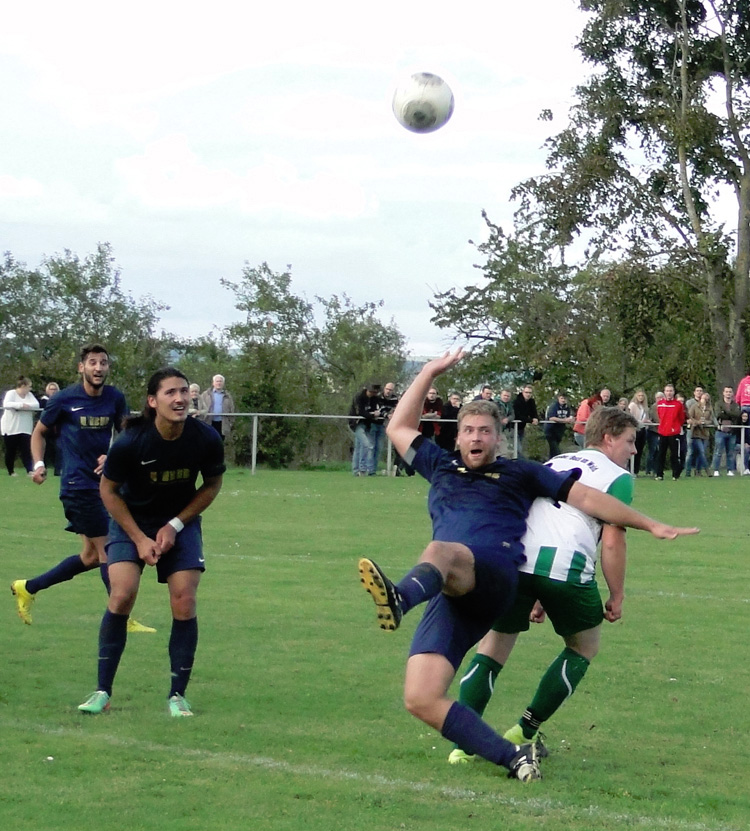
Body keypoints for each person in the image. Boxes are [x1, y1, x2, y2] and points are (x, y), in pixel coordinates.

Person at [357, 349, 698, 782]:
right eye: (468, 430)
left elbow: (588, 499)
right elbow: (398, 427)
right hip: (453, 587)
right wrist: (428, 371)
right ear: (457, 438)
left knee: (441, 550)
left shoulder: (521, 472)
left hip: (495, 574)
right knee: (420, 698)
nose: (476, 437)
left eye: (485, 430)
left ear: (499, 438)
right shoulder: (440, 466)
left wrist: (650, 524)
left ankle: (400, 599)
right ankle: (514, 756)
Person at [449, 406, 639, 762]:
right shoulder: (618, 477)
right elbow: (613, 540)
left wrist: (536, 595)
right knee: (584, 647)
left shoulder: (555, 461)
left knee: (493, 646)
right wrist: (617, 594)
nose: (633, 450)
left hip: (516, 560)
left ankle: (463, 745)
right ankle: (525, 729)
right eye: (629, 441)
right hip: (566, 566)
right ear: (609, 438)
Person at [78, 368, 225, 717]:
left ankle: (177, 695)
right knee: (122, 592)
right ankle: (102, 691)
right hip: (132, 522)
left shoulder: (204, 438)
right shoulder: (130, 441)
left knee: (184, 599)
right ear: (152, 401)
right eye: (170, 393)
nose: (179, 399)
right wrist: (140, 538)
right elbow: (108, 492)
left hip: (181, 522)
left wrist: (175, 525)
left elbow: (212, 485)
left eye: (183, 392)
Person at [11, 345, 154, 633]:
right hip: (77, 486)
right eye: (92, 363)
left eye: (103, 362)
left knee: (89, 556)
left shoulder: (114, 398)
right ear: (82, 368)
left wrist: (114, 455)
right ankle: (122, 619)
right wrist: (38, 464)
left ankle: (27, 587)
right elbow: (39, 432)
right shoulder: (64, 400)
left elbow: (126, 432)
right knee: (106, 551)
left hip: (105, 485)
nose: (98, 367)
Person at [2, 376, 39, 476]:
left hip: (25, 428)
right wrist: (20, 405)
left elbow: (36, 405)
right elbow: (7, 404)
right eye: (29, 387)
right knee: (11, 450)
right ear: (23, 386)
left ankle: (29, 470)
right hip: (11, 427)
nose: (30, 389)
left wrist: (27, 406)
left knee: (26, 449)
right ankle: (11, 471)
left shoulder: (29, 395)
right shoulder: (11, 393)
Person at [349, 383, 382, 476]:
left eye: (375, 392)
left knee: (359, 447)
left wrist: (375, 414)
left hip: (367, 424)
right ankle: (362, 469)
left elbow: (375, 410)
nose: (373, 394)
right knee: (366, 445)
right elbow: (360, 412)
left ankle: (356, 471)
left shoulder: (374, 399)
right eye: (371, 392)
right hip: (357, 423)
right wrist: (372, 415)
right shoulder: (359, 398)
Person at [656, 384, 685, 480]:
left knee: (674, 455)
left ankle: (675, 474)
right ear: (664, 392)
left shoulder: (678, 404)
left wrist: (675, 427)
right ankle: (659, 474)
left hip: (673, 433)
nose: (669, 393)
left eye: (671, 391)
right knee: (661, 454)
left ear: (673, 392)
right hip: (662, 432)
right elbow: (660, 416)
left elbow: (681, 418)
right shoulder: (660, 403)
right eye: (667, 391)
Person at [712, 386, 740, 476]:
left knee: (730, 453)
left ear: (732, 393)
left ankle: (730, 470)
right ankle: (716, 470)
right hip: (721, 431)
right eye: (726, 392)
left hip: (731, 432)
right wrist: (728, 414)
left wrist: (725, 412)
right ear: (723, 393)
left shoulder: (735, 405)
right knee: (718, 452)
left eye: (730, 392)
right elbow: (718, 414)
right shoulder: (718, 403)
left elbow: (737, 415)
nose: (728, 393)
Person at [200, 374, 235, 440]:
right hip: (208, 422)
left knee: (220, 442)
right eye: (217, 381)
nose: (219, 383)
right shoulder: (205, 394)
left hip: (222, 423)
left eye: (220, 381)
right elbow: (200, 406)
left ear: (223, 383)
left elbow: (232, 409)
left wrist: (231, 422)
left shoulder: (227, 395)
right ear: (213, 383)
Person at [687, 392, 713, 477]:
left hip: (705, 433)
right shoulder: (694, 406)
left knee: (701, 453)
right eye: (703, 398)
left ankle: (698, 471)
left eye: (706, 399)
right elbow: (689, 417)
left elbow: (711, 420)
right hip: (696, 433)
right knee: (701, 452)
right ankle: (707, 470)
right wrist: (697, 422)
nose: (704, 400)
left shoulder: (709, 409)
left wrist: (706, 422)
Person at [39, 381, 62, 474]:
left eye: (55, 389)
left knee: (58, 449)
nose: (53, 391)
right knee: (45, 448)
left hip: (57, 428)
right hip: (46, 427)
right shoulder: (43, 401)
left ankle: (58, 470)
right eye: (51, 389)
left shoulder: (60, 400)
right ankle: (42, 468)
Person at [543, 392, 574, 459]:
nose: (563, 400)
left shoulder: (567, 408)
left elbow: (569, 417)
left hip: (559, 431)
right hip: (551, 430)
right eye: (561, 398)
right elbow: (551, 418)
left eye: (565, 398)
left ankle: (550, 463)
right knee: (555, 450)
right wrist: (564, 420)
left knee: (553, 451)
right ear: (558, 398)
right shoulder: (554, 406)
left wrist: (570, 420)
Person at [683, 386, 704, 477]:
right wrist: (696, 422)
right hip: (691, 429)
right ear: (694, 392)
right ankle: (687, 472)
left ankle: (698, 471)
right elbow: (688, 415)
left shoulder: (705, 403)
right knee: (690, 451)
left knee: (701, 451)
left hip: (701, 430)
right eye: (697, 391)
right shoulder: (689, 403)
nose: (699, 392)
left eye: (700, 391)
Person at [513, 384, 539, 456]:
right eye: (526, 392)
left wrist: (535, 418)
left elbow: (533, 412)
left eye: (530, 393)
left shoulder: (531, 401)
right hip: (512, 428)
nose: (528, 394)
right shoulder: (517, 401)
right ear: (522, 392)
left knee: (519, 447)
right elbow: (517, 416)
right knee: (517, 449)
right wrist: (531, 420)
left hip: (521, 428)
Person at [628, 390, 649, 475]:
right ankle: (630, 469)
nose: (641, 397)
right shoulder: (632, 405)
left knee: (639, 450)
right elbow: (630, 417)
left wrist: (647, 421)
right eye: (639, 395)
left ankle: (636, 470)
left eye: (642, 396)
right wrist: (639, 421)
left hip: (642, 429)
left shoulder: (644, 407)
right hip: (635, 429)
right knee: (633, 449)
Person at [645, 391, 663, 476]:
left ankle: (656, 469)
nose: (659, 399)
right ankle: (649, 469)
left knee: (658, 451)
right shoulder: (654, 407)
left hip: (662, 431)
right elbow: (655, 418)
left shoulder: (664, 406)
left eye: (661, 397)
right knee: (652, 450)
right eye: (658, 398)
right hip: (653, 431)